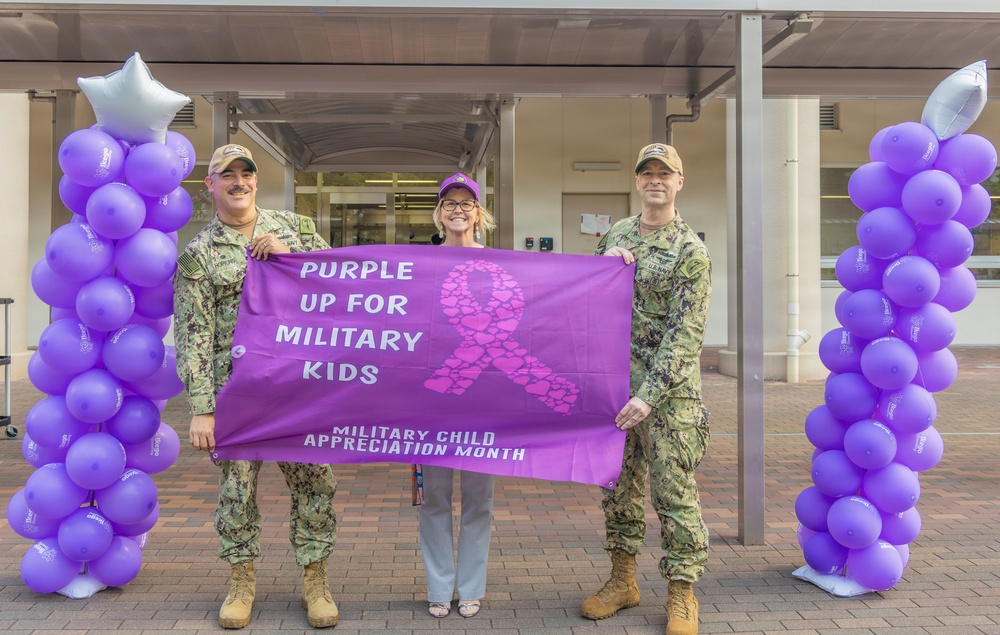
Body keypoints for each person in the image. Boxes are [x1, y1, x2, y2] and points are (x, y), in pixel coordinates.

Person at [173, 144, 340, 630]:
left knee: (314, 485)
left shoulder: (297, 229)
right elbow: (193, 334)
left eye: (247, 173)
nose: (239, 181)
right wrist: (202, 408)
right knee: (237, 493)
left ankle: (316, 581)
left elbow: (342, 288)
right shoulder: (199, 256)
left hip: (297, 390)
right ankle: (241, 582)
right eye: (228, 175)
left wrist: (292, 258)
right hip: (236, 396)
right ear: (211, 185)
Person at [582, 143, 712, 635]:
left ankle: (682, 593)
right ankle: (622, 581)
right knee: (619, 490)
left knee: (675, 494)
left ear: (679, 182)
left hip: (667, 398)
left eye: (665, 174)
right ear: (638, 182)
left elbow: (686, 334)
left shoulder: (690, 251)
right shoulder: (617, 232)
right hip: (615, 388)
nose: (655, 180)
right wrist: (605, 262)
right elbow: (586, 293)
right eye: (648, 173)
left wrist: (648, 394)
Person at [418, 172, 498, 620]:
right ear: (439, 212)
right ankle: (437, 585)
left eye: (467, 203)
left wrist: (614, 262)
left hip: (483, 398)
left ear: (479, 213)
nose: (458, 210)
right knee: (434, 496)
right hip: (431, 397)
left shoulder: (502, 264)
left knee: (478, 497)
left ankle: (470, 587)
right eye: (450, 203)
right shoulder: (421, 264)